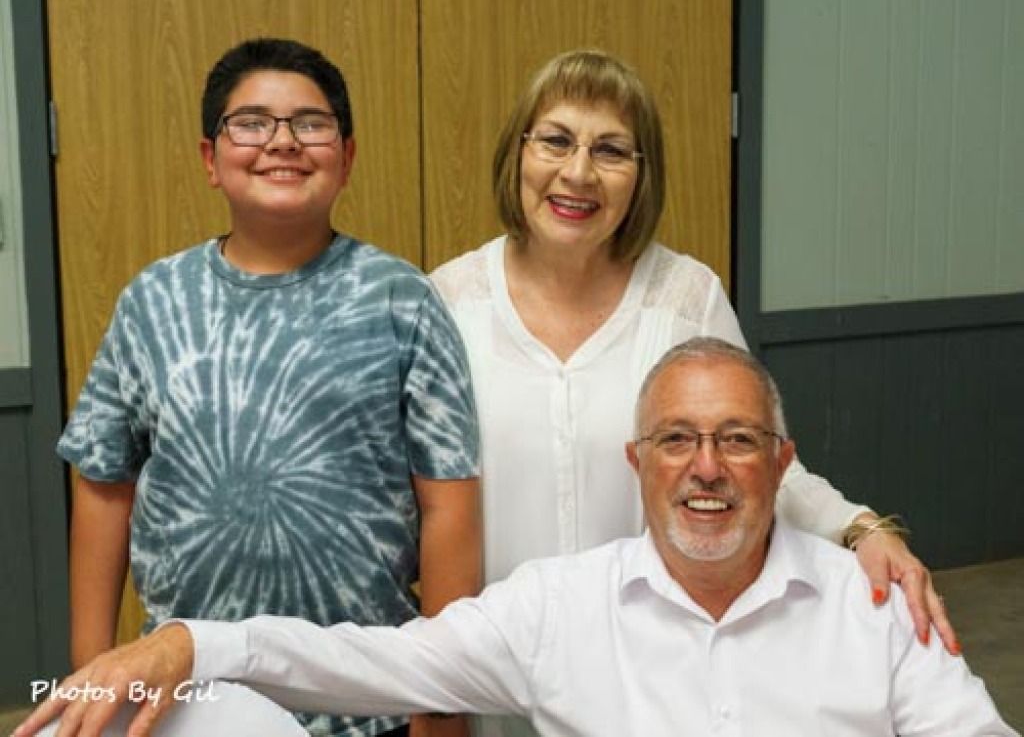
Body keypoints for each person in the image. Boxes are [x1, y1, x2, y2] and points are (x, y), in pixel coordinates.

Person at [18, 338, 1016, 737]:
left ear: (779, 459)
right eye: (677, 439)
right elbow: (367, 662)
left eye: (736, 440)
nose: (705, 466)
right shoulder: (559, 607)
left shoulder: (872, 606)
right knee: (215, 715)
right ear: (638, 460)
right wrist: (187, 641)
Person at [429, 47, 954, 645]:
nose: (578, 172)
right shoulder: (448, 302)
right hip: (495, 667)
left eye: (610, 149)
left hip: (654, 665)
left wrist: (863, 529)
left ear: (642, 174)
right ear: (517, 153)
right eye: (555, 140)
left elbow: (754, 462)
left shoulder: (686, 298)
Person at [54, 37, 481, 737]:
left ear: (346, 156)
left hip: (367, 703)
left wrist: (441, 697)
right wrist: (95, 670)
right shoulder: (154, 301)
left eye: (309, 124)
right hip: (186, 702)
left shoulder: (401, 300)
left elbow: (449, 506)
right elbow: (104, 485)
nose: (281, 142)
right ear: (210, 159)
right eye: (250, 123)